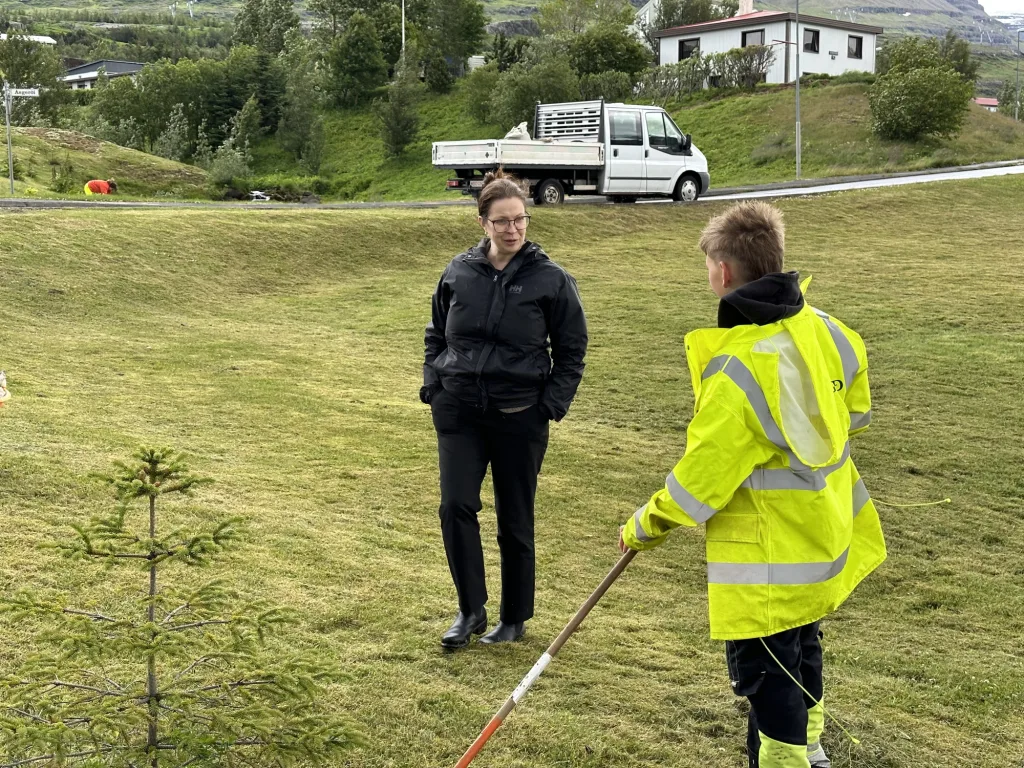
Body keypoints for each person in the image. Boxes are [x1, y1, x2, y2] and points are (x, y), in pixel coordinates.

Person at [618, 202, 886, 768]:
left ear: (722, 272)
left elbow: (700, 481)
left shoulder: (737, 369)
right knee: (802, 647)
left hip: (769, 556)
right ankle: (811, 748)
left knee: (768, 674)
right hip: (823, 534)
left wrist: (645, 524)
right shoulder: (829, 330)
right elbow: (855, 413)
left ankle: (789, 759)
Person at [422, 170, 588, 650]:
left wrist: (549, 406)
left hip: (520, 415)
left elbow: (572, 351)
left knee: (515, 519)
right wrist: (434, 386)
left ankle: (514, 617)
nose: (512, 229)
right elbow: (435, 334)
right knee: (455, 506)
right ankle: (470, 610)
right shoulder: (458, 272)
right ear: (483, 223)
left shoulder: (552, 279)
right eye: (502, 221)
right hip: (459, 413)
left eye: (520, 219)